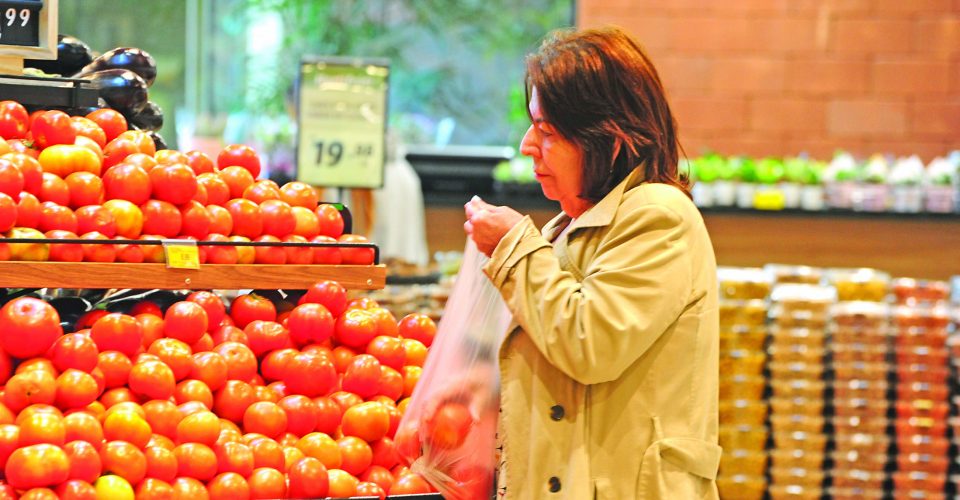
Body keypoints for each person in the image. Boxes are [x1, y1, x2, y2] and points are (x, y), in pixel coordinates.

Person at [464, 26, 720, 499]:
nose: (527, 145)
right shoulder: (570, 224)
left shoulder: (659, 215)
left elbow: (589, 342)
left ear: (610, 139)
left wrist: (513, 246)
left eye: (547, 131)